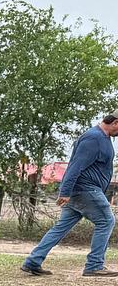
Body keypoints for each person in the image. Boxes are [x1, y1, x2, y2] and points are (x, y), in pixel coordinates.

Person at [22, 114, 118, 277]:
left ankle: (33, 261)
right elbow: (75, 166)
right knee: (106, 221)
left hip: (82, 191)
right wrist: (65, 191)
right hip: (85, 189)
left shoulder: (102, 138)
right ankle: (94, 265)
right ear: (115, 122)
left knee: (61, 227)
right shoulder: (93, 138)